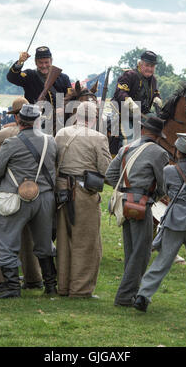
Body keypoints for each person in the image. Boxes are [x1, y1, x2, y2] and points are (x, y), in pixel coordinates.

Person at [133, 133, 186, 315]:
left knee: (162, 261)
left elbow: (163, 192)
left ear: (178, 152)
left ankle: (143, 296)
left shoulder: (168, 171)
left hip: (173, 221)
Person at [0, 104, 57, 299]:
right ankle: (50, 286)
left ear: (19, 121)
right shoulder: (50, 141)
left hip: (16, 196)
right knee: (44, 242)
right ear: (38, 120)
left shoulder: (11, 143)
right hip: (45, 198)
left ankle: (12, 287)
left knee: (4, 241)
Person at [105, 115, 169, 307]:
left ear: (142, 130)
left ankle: (130, 293)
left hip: (124, 203)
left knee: (131, 251)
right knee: (141, 253)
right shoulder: (160, 153)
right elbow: (163, 184)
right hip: (141, 203)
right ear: (158, 136)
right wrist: (153, 196)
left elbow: (110, 175)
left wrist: (125, 188)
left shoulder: (125, 148)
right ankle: (125, 297)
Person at [0, 96, 44, 293]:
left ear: (17, 117)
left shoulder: (9, 132)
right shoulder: (41, 135)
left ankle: (1, 281)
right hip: (34, 193)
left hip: (8, 192)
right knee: (28, 239)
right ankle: (34, 278)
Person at [55, 102, 112, 298]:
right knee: (86, 242)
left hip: (61, 192)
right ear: (95, 118)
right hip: (83, 193)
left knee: (63, 241)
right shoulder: (98, 138)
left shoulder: (61, 133)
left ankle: (63, 286)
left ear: (76, 115)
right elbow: (106, 170)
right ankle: (80, 290)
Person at [110, 51, 163, 153]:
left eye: (152, 66)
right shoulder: (129, 75)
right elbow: (120, 92)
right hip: (123, 113)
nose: (150, 69)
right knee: (129, 140)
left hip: (143, 114)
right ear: (140, 64)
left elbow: (156, 93)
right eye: (147, 65)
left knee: (158, 128)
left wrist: (157, 98)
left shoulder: (153, 80)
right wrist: (130, 102)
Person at [6, 45, 72, 109]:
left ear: (51, 61)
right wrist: (20, 62)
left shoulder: (64, 78)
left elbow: (71, 98)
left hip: (59, 118)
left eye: (46, 62)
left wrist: (62, 108)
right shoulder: (29, 75)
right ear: (35, 62)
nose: (44, 65)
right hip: (34, 118)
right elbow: (11, 78)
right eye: (40, 62)